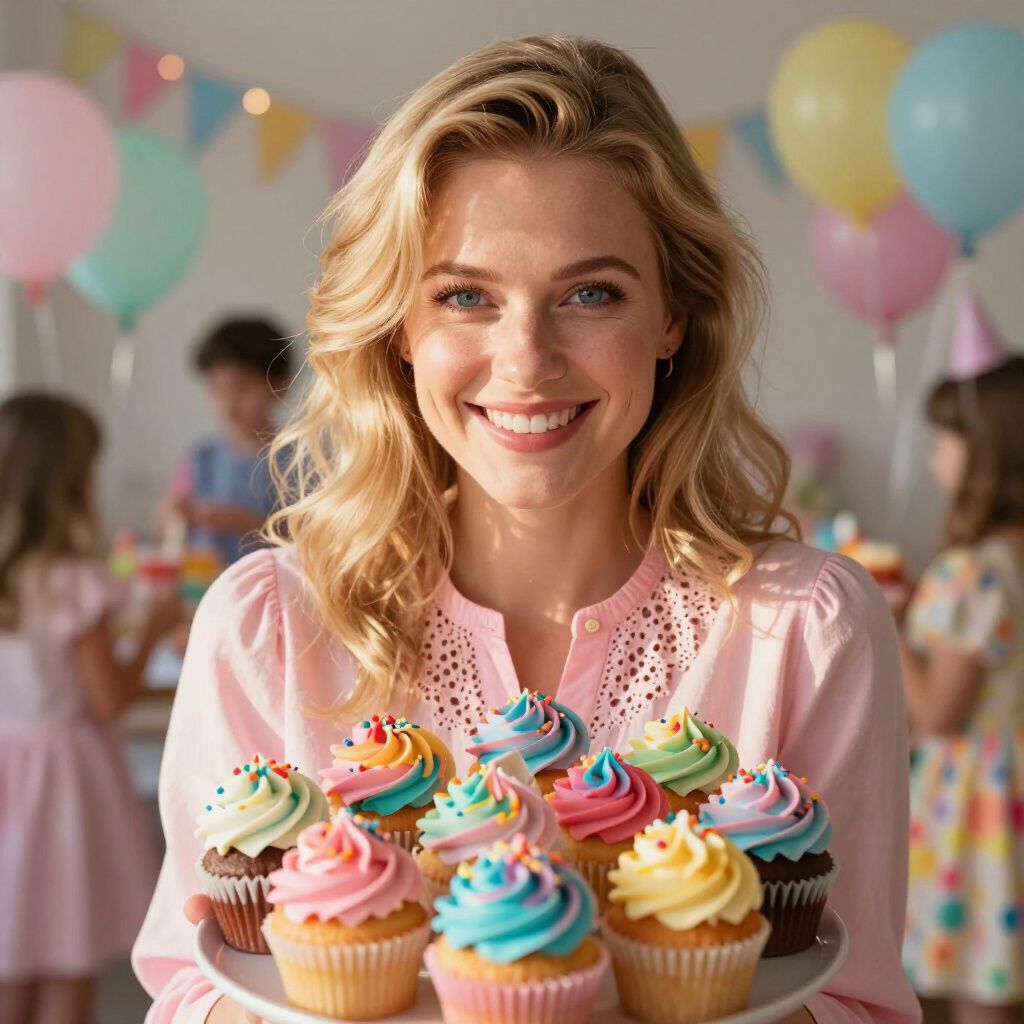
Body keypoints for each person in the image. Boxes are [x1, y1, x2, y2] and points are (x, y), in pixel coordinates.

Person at [133, 35, 920, 1024]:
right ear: (398, 328)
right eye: (465, 296)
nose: (525, 361)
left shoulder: (804, 631)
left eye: (591, 294)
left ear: (674, 314)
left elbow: (859, 1001)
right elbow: (188, 986)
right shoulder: (267, 626)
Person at [0, 394, 180, 1024]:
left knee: (13, 953)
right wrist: (155, 630)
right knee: (65, 957)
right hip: (61, 784)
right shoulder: (73, 581)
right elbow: (111, 698)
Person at [901, 358, 1024, 1024]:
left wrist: (888, 623)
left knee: (983, 978)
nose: (931, 462)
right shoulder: (1011, 558)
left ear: (984, 457)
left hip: (980, 806)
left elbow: (937, 712)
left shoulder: (973, 572)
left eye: (941, 445)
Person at [156, 317, 292, 569]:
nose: (229, 403)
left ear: (280, 385)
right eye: (217, 390)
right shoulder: (199, 458)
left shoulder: (297, 460)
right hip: (202, 588)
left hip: (266, 589)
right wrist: (170, 515)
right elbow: (167, 526)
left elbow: (311, 536)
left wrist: (246, 523)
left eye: (241, 389)